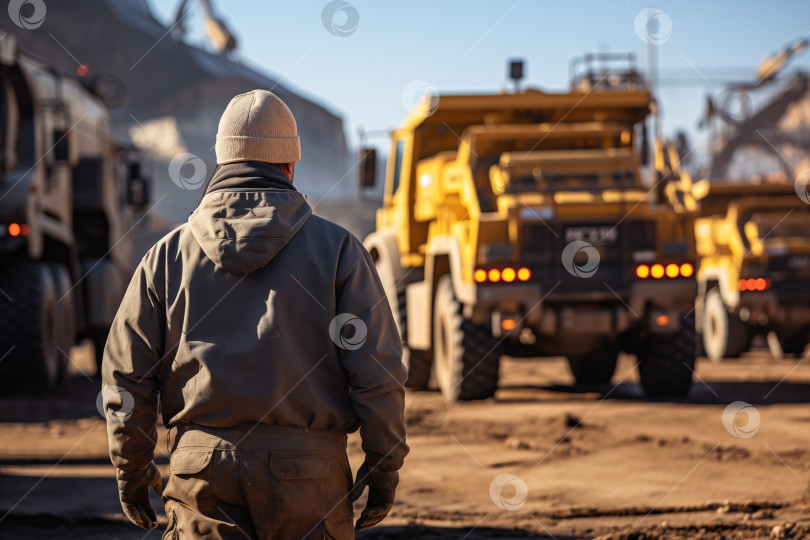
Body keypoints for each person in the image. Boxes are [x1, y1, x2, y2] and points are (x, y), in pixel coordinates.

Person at [102, 89, 408, 539]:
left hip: (200, 472)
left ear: (222, 163)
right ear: (289, 164)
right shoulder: (340, 251)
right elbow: (378, 371)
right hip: (310, 478)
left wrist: (132, 469)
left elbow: (125, 377)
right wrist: (384, 465)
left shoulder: (164, 258)